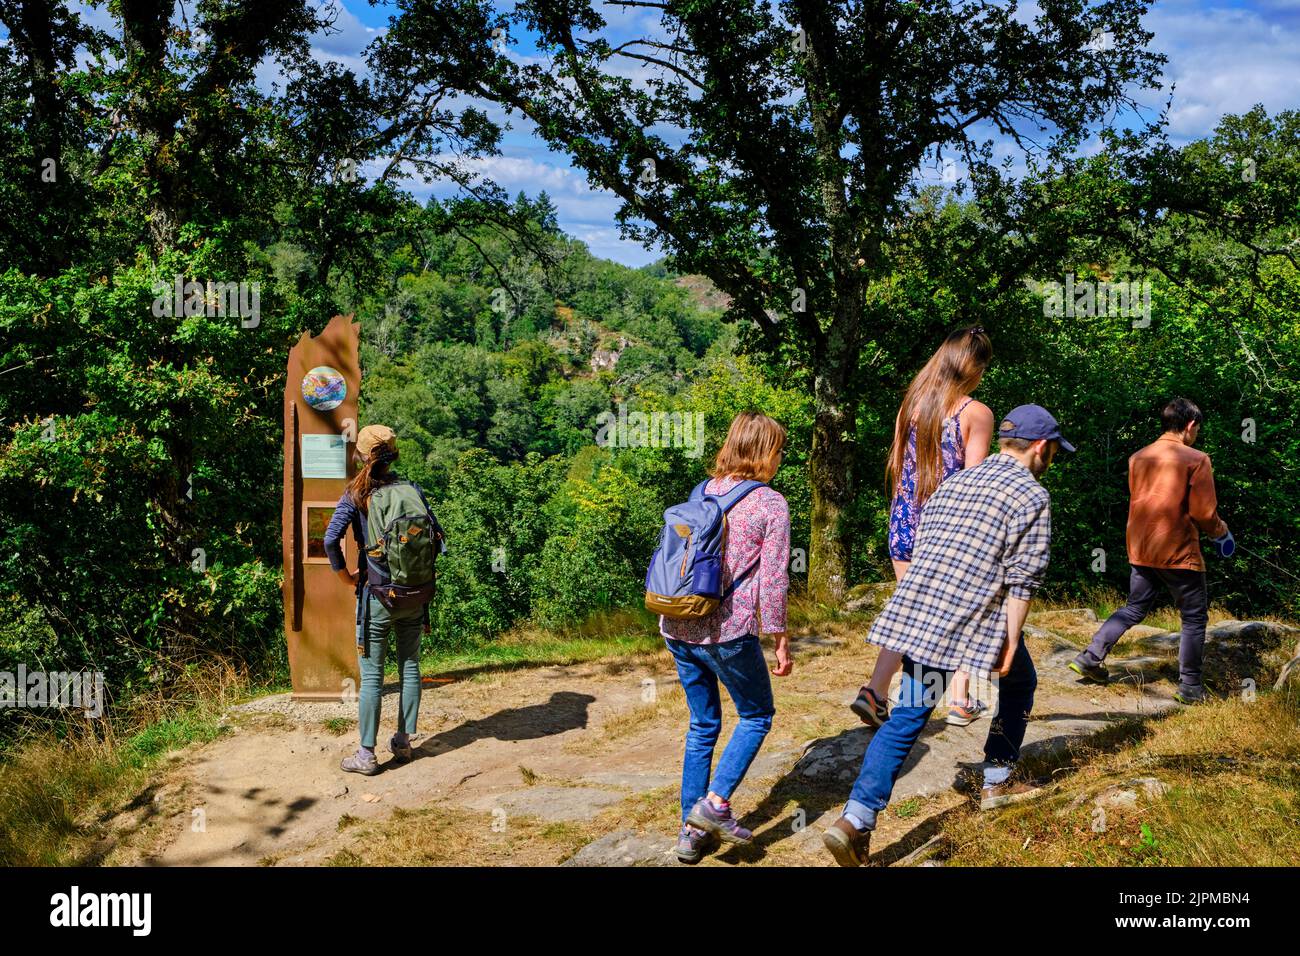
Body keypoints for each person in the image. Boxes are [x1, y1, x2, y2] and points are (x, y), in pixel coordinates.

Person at [824, 405, 1071, 867]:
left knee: (907, 716)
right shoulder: (1032, 496)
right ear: (1041, 446)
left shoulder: (953, 483)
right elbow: (1022, 579)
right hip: (976, 618)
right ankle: (998, 779)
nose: (1052, 458)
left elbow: (924, 546)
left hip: (924, 611)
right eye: (1054, 450)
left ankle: (854, 819)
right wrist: (1012, 640)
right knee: (1018, 684)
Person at [661, 411, 793, 864]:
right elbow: (774, 580)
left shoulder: (701, 493)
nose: (780, 457)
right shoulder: (770, 503)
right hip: (727, 632)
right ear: (764, 452)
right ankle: (714, 806)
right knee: (757, 715)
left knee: (702, 725)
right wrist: (779, 637)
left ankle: (689, 832)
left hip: (678, 627)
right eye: (777, 448)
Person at [851, 325, 995, 729]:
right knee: (965, 610)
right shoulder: (975, 413)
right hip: (946, 528)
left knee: (909, 611)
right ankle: (960, 699)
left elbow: (899, 469)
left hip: (903, 522)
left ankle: (875, 692)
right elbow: (974, 482)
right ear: (975, 367)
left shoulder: (910, 406)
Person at [1070, 397, 1232, 704]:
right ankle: (1190, 687)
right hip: (1178, 549)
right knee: (1194, 618)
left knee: (1134, 607)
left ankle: (1091, 656)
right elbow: (1203, 513)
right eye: (1197, 429)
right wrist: (1220, 532)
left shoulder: (1138, 457)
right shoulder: (1196, 459)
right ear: (1190, 425)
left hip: (1142, 546)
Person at [324, 424, 443, 775]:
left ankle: (366, 755)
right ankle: (404, 742)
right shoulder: (410, 489)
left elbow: (331, 540)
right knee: (410, 666)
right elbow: (435, 537)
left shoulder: (356, 494)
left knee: (373, 676)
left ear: (361, 455)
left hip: (376, 595)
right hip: (414, 594)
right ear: (393, 455)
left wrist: (346, 577)